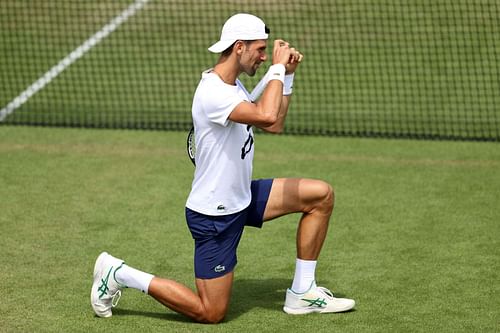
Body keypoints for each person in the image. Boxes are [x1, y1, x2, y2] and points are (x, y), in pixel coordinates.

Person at [90, 13, 355, 324]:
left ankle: (302, 292)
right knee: (211, 312)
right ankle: (118, 273)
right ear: (239, 47)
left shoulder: (234, 86)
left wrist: (288, 76)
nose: (264, 56)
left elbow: (275, 124)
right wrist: (278, 69)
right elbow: (268, 115)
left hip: (242, 198)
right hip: (215, 216)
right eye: (260, 49)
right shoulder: (214, 93)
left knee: (320, 196)